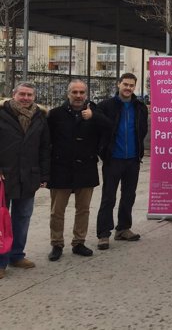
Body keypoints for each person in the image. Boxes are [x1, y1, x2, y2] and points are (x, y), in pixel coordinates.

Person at [47, 80, 110, 261]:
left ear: (86, 94)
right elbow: (46, 141)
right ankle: (57, 244)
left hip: (86, 168)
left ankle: (79, 242)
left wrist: (94, 116)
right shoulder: (56, 114)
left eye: (82, 92)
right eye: (74, 92)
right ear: (68, 94)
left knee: (83, 209)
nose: (78, 95)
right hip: (60, 168)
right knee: (57, 211)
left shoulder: (94, 113)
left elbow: (110, 128)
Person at [0, 82, 50, 279]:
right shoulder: (3, 114)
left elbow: (45, 148)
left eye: (30, 95)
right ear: (14, 95)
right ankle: (1, 261)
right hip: (5, 175)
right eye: (22, 94)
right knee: (2, 220)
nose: (26, 98)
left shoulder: (40, 117)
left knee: (22, 217)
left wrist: (44, 175)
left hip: (29, 176)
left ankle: (17, 255)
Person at [96, 73, 148, 250]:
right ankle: (103, 234)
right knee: (108, 197)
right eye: (125, 84)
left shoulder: (139, 107)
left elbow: (142, 130)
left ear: (135, 87)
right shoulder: (106, 106)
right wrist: (103, 151)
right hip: (113, 159)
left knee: (129, 196)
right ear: (119, 84)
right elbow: (99, 130)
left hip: (133, 159)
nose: (128, 88)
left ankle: (123, 228)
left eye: (131, 85)